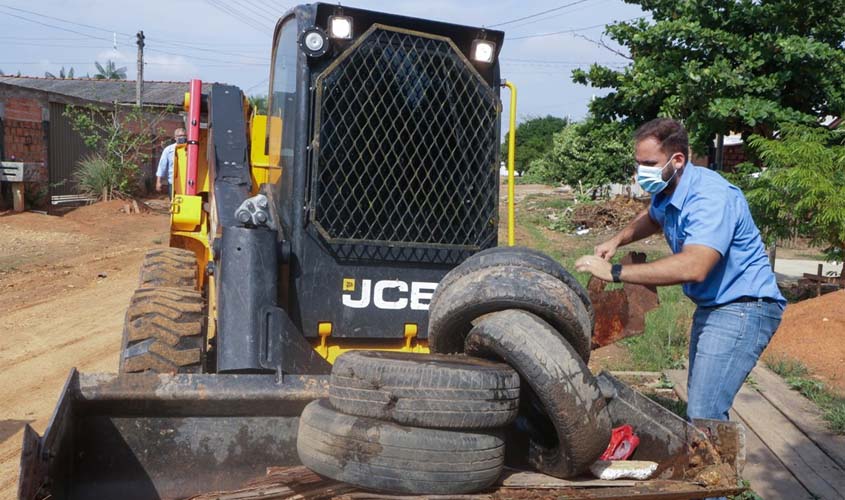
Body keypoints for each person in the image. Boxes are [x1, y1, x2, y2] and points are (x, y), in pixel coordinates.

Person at [575, 118, 785, 423]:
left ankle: (714, 455)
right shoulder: (670, 189)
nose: (641, 172)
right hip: (716, 304)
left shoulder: (710, 197)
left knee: (704, 411)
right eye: (638, 163)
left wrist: (615, 271)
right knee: (702, 403)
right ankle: (709, 448)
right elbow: (653, 216)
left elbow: (694, 266)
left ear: (677, 160)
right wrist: (616, 240)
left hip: (744, 307)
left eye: (649, 163)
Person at [155, 128, 187, 196]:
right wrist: (158, 182)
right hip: (173, 183)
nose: (182, 137)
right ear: (175, 138)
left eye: (184, 135)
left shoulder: (190, 149)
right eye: (180, 136)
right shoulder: (168, 150)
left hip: (187, 183)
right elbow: (162, 166)